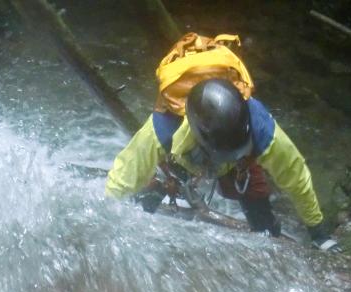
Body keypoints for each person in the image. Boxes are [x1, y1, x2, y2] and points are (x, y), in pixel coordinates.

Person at [105, 37, 336, 251]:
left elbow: (297, 180)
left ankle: (267, 231)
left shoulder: (261, 130)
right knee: (155, 180)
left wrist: (318, 232)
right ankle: (158, 185)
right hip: (185, 154)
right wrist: (104, 222)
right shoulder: (164, 129)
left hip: (238, 160)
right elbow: (121, 178)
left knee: (260, 214)